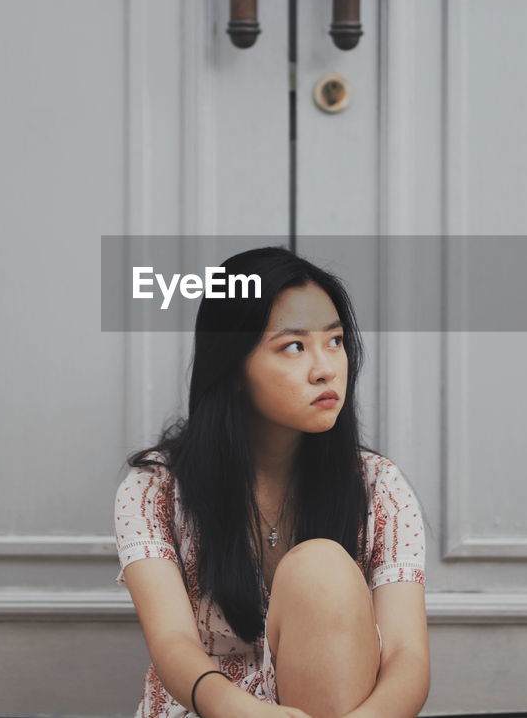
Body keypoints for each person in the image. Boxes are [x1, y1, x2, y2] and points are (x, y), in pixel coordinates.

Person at [113, 246, 429, 718]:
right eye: (294, 346)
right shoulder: (155, 489)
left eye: (336, 341)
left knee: (320, 568)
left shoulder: (380, 488)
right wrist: (240, 710)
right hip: (211, 713)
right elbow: (172, 643)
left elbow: (407, 657)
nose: (326, 368)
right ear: (234, 367)